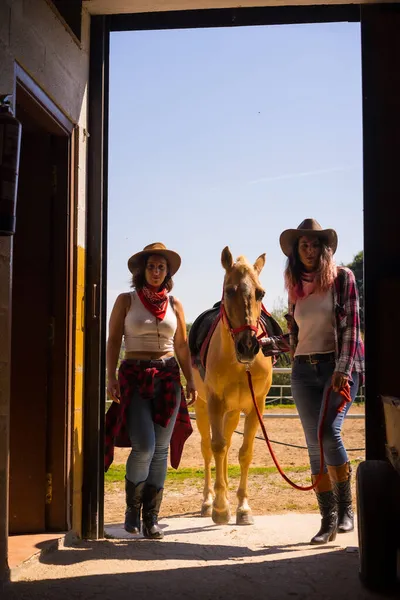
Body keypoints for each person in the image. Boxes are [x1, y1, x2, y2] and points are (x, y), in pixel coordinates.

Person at [279, 219, 365, 545]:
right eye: (304, 245)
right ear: (296, 251)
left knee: (329, 432)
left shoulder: (343, 278)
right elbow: (294, 334)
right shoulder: (294, 284)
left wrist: (342, 369)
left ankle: (346, 510)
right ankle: (326, 520)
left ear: (324, 247)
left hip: (338, 367)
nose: (310, 250)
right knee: (313, 444)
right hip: (303, 371)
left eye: (315, 244)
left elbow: (352, 327)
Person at [105, 242, 197, 539]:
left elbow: (181, 345)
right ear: (142, 271)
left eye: (161, 267)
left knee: (160, 450)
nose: (156, 271)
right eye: (151, 266)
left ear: (167, 272)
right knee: (143, 445)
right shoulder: (126, 300)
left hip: (169, 378)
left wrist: (191, 379)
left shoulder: (176, 304)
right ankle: (132, 509)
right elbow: (112, 340)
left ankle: (151, 517)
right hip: (134, 376)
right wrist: (110, 376)